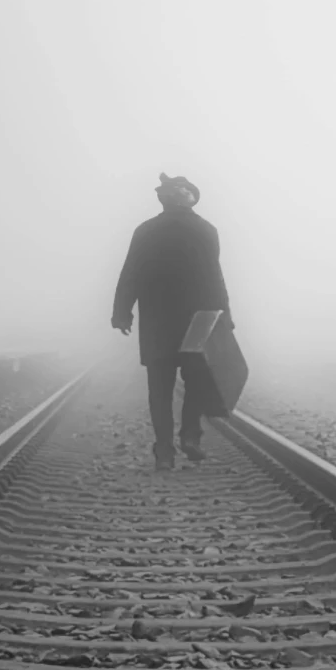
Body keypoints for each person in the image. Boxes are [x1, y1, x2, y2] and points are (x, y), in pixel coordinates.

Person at [111, 173, 232, 469]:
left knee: (160, 389)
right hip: (198, 322)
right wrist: (225, 318)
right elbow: (215, 279)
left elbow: (131, 274)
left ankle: (164, 450)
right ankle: (190, 435)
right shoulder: (206, 230)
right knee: (197, 381)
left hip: (157, 323)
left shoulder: (146, 231)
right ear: (189, 198)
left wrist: (122, 313)